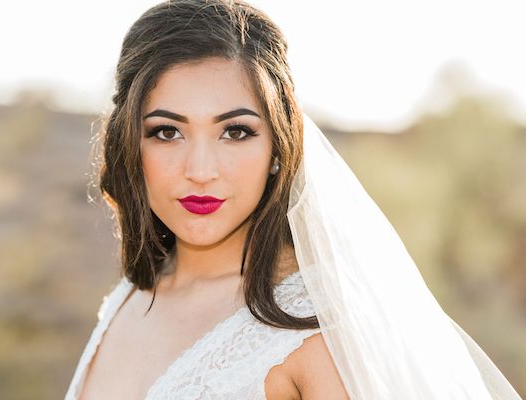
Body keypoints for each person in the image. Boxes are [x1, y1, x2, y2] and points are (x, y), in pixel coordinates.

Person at [65, 1, 522, 399]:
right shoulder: (127, 299)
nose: (201, 169)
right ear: (129, 144)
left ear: (277, 150)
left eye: (235, 132)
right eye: (167, 132)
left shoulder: (317, 330)